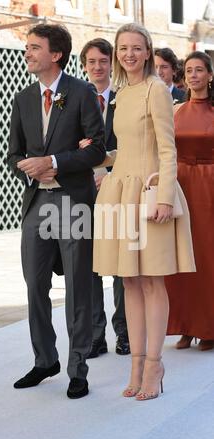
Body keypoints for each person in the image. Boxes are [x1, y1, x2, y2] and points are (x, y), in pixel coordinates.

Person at [93, 23, 195, 401]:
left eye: (137, 48)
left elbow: (168, 150)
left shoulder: (156, 90)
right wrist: (94, 156)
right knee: (129, 282)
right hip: (121, 192)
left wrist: (166, 197)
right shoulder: (122, 93)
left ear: (148, 52)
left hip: (151, 194)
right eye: (123, 48)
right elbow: (128, 148)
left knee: (152, 281)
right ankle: (136, 364)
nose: (129, 54)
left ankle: (154, 364)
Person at [7, 24, 105, 399]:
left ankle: (78, 367)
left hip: (72, 202)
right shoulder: (22, 99)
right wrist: (29, 166)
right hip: (36, 203)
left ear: (56, 54)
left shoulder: (81, 93)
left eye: (34, 47)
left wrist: (56, 162)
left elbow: (97, 148)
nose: (28, 53)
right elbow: (14, 154)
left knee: (78, 286)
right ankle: (44, 359)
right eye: (28, 47)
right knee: (35, 284)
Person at [80, 38, 130, 358]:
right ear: (84, 64)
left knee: (120, 264)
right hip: (83, 191)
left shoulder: (125, 99)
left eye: (103, 61)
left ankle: (124, 332)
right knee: (90, 266)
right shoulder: (72, 99)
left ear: (111, 64)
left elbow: (135, 143)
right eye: (91, 62)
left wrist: (109, 173)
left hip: (118, 189)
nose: (97, 67)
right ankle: (96, 335)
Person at [166, 51, 214, 351]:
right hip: (181, 185)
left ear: (210, 75)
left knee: (208, 257)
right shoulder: (175, 110)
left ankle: (208, 326)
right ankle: (185, 325)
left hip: (210, 186)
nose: (194, 75)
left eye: (199, 70)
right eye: (189, 70)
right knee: (182, 256)